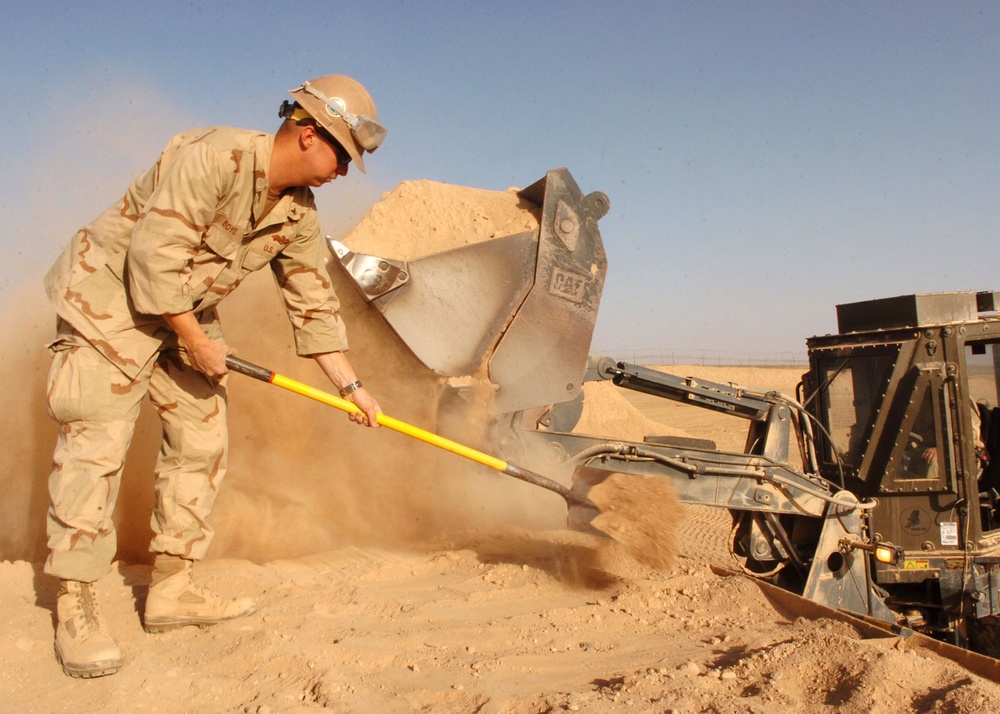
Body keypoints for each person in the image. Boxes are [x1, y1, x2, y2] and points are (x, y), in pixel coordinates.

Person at [42, 74, 385, 678]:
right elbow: (153, 256)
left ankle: (172, 587)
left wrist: (351, 387)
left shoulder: (297, 214)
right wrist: (198, 341)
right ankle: (76, 601)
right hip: (110, 305)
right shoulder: (213, 158)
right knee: (95, 444)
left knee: (203, 436)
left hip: (184, 311)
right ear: (308, 134)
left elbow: (312, 299)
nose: (344, 171)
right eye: (342, 155)